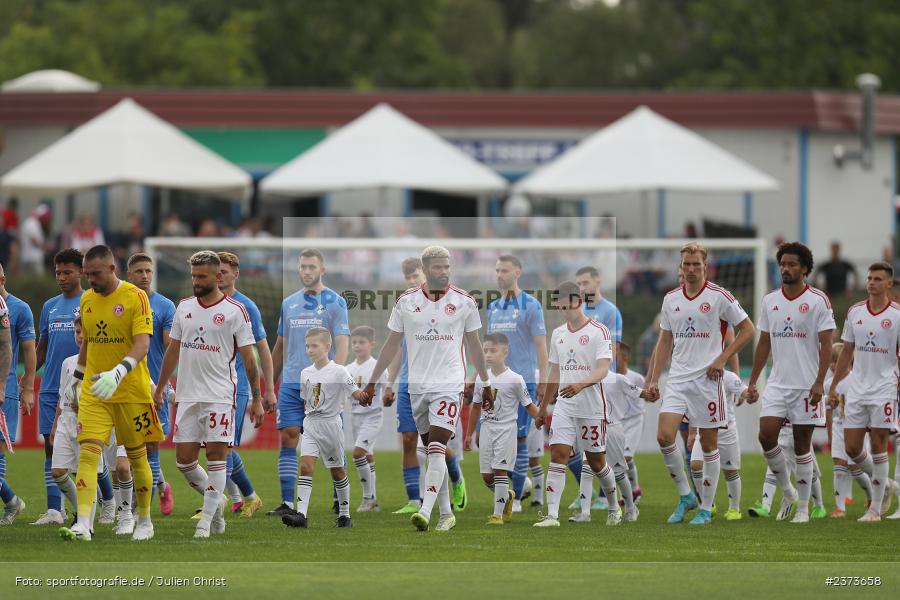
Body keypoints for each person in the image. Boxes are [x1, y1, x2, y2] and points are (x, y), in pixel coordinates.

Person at [361, 245, 491, 532]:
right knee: (432, 451)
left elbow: (474, 346)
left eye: (447, 267)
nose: (443, 272)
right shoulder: (406, 302)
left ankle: (425, 508)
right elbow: (391, 345)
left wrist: (484, 381)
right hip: (416, 387)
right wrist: (373, 382)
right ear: (426, 268)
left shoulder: (465, 302)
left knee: (435, 446)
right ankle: (446, 513)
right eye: (438, 267)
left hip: (449, 383)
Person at [153, 251, 263, 539]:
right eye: (193, 276)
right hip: (188, 395)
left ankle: (206, 520)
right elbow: (173, 350)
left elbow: (250, 359)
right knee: (184, 461)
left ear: (217, 277)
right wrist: (162, 385)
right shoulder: (184, 308)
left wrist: (257, 397)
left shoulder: (235, 311)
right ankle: (218, 501)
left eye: (201, 276)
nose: (195, 281)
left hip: (220, 395)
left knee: (216, 455)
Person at [58, 244, 162, 542]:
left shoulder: (135, 297)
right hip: (95, 392)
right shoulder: (87, 299)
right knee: (88, 454)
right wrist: (77, 380)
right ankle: (83, 524)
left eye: (95, 274)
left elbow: (142, 344)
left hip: (130, 391)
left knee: (137, 458)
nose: (90, 280)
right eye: (87, 274)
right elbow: (88, 343)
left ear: (112, 269)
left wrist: (118, 372)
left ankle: (144, 521)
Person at [645, 242, 754, 525]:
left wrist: (722, 358)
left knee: (707, 445)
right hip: (679, 378)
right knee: (664, 436)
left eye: (696, 264)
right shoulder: (670, 299)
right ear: (680, 267)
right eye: (686, 264)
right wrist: (654, 378)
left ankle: (706, 508)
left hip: (707, 381)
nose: (691, 269)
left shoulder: (719, 296)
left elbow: (748, 329)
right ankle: (685, 496)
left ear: (706, 266)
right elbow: (665, 340)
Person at [744, 241, 835, 523]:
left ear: (805, 268)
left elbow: (827, 344)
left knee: (801, 445)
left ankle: (805, 509)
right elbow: (764, 343)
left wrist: (820, 382)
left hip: (807, 386)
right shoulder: (770, 300)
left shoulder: (818, 300)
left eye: (792, 264)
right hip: (779, 384)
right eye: (782, 264)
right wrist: (753, 381)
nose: (786, 268)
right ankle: (788, 491)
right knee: (766, 435)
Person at [269, 249, 349, 516]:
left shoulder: (336, 302)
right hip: (292, 382)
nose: (306, 271)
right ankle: (288, 503)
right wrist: (269, 384)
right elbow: (280, 345)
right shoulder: (288, 303)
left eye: (312, 267)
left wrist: (336, 377)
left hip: (324, 385)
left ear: (322, 270)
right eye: (302, 266)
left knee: (331, 444)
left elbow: (341, 343)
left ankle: (340, 499)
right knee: (288, 437)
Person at [532, 280, 618, 528]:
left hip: (591, 407)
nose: (564, 310)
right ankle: (552, 516)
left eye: (568, 304)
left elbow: (603, 369)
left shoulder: (598, 331)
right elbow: (554, 373)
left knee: (596, 463)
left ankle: (614, 506)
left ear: (579, 301)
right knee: (558, 455)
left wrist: (581, 384)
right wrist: (543, 407)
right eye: (560, 306)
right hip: (565, 407)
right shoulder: (558, 334)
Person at [828, 261, 900, 521]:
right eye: (869, 278)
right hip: (857, 388)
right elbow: (846, 350)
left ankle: (875, 509)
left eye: (878, 279)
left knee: (880, 445)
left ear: (889, 283)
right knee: (852, 447)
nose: (871, 282)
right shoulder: (855, 311)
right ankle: (888, 484)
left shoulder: (897, 315)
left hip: (884, 387)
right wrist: (835, 385)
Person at [282, 329, 365, 529]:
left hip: (331, 425)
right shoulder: (305, 373)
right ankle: (301, 515)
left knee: (337, 471)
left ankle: (344, 515)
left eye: (314, 346)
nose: (310, 350)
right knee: (306, 466)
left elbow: (356, 393)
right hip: (310, 424)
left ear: (327, 347)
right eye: (308, 346)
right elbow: (306, 400)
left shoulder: (339, 371)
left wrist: (364, 395)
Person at [216, 252, 276, 517]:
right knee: (216, 444)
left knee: (224, 445)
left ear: (236, 274)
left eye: (224, 272)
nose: (220, 276)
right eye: (216, 271)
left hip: (236, 386)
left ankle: (215, 502)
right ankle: (249, 497)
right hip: (210, 384)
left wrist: (267, 390)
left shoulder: (246, 307)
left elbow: (262, 349)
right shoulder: (204, 303)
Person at [486, 255, 547, 512]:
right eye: (497, 270)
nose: (499, 275)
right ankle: (514, 488)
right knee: (495, 444)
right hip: (496, 384)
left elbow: (541, 345)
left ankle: (518, 498)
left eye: (504, 271)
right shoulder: (493, 307)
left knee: (520, 439)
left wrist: (544, 379)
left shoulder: (531, 305)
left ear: (518, 272)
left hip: (522, 382)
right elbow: (488, 346)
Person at [33, 249, 84, 525]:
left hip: (83, 388)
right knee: (51, 447)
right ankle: (56, 510)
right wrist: (29, 379)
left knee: (87, 451)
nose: (62, 278)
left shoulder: (91, 301)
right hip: (52, 386)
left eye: (67, 272)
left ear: (81, 272)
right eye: (58, 273)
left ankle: (104, 504)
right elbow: (42, 347)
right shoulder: (50, 306)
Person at [465, 333, 539, 525]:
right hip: (487, 429)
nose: (488, 354)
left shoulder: (515, 379)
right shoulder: (483, 378)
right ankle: (507, 495)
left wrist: (541, 418)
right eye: (485, 350)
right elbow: (475, 407)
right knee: (487, 476)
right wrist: (469, 434)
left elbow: (529, 405)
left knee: (500, 471)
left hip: (506, 430)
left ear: (505, 352)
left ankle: (498, 514)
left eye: (493, 350)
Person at [126, 253, 176, 515]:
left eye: (148, 271)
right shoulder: (120, 303)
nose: (145, 275)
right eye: (139, 271)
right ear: (128, 274)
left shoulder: (166, 306)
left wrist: (167, 383)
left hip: (153, 387)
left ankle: (138, 507)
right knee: (129, 449)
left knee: (150, 444)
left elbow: (171, 346)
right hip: (124, 386)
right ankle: (161, 485)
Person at [688, 370, 747, 520]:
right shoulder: (698, 377)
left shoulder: (729, 377)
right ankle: (707, 504)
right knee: (695, 465)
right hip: (704, 431)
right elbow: (693, 407)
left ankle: (734, 509)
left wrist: (749, 394)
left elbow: (744, 390)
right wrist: (692, 432)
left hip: (726, 432)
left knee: (730, 471)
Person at [346, 326, 388, 512]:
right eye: (354, 342)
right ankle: (374, 502)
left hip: (372, 416)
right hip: (355, 418)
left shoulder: (378, 367)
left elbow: (387, 392)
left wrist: (388, 397)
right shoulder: (348, 369)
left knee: (357, 453)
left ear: (371, 344)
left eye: (361, 342)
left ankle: (367, 498)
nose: (357, 346)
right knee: (368, 456)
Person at [0, 263, 24, 525]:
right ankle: (11, 501)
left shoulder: (2, 307)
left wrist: (2, 385)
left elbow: (7, 348)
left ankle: (11, 502)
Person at [616, 342, 646, 504]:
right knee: (619, 458)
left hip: (634, 420)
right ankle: (634, 490)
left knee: (626, 457)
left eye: (616, 356)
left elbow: (646, 395)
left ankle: (630, 493)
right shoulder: (611, 378)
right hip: (619, 422)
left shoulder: (637, 378)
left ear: (625, 358)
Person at [19, 205, 51, 275]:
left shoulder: (30, 222)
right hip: (33, 258)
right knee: (39, 281)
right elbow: (34, 241)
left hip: (27, 257)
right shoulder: (33, 223)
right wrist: (46, 247)